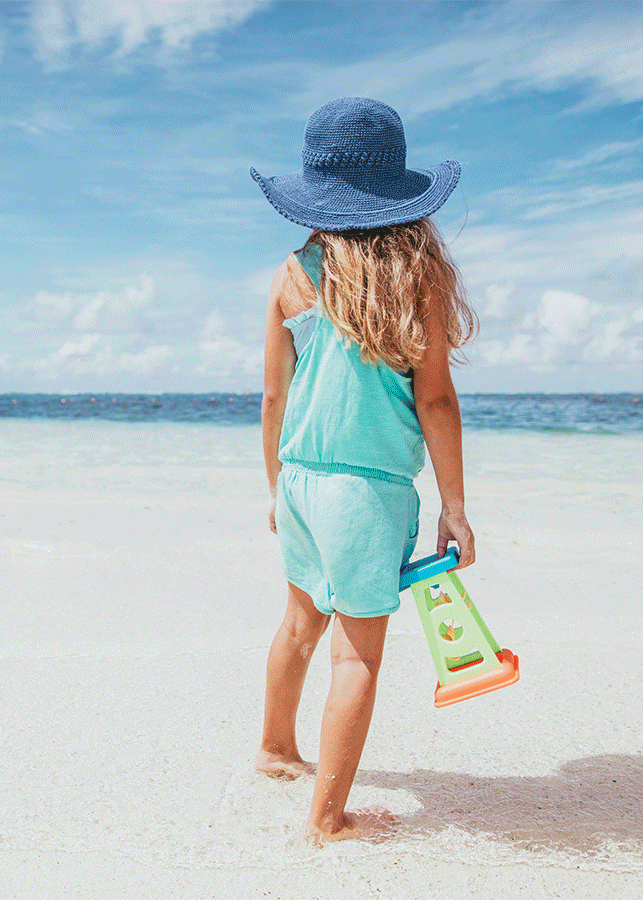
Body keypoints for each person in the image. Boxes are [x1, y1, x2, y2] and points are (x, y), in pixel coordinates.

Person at [250, 98, 477, 843]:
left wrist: (277, 488)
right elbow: (436, 400)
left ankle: (276, 749)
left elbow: (274, 396)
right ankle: (328, 821)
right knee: (359, 652)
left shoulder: (293, 272)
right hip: (366, 492)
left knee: (299, 621)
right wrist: (454, 506)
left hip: (303, 480)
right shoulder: (419, 278)